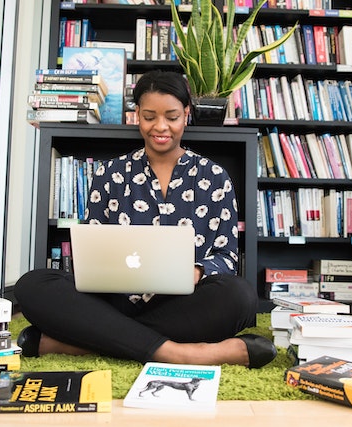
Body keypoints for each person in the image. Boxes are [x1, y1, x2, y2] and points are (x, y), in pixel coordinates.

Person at [14, 70, 277, 368]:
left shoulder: (215, 177)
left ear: (187, 114)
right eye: (150, 116)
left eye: (172, 116)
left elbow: (227, 257)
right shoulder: (109, 174)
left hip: (182, 304)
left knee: (240, 296)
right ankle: (182, 353)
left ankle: (85, 342)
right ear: (136, 114)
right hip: (112, 301)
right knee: (31, 285)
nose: (161, 126)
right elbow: (92, 249)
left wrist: (196, 271)